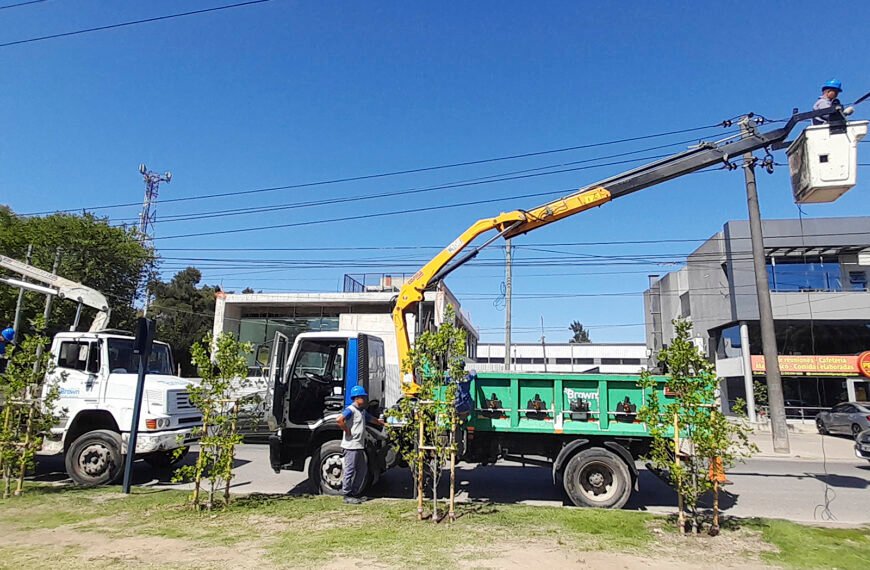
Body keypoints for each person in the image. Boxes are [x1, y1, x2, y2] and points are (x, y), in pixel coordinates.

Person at [336, 384, 384, 504]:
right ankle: (347, 494)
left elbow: (370, 419)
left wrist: (380, 423)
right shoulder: (350, 410)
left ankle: (355, 493)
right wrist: (347, 431)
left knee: (362, 470)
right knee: (350, 470)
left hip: (359, 446)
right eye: (363, 397)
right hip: (351, 446)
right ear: (356, 398)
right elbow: (339, 419)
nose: (365, 399)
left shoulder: (361, 411)